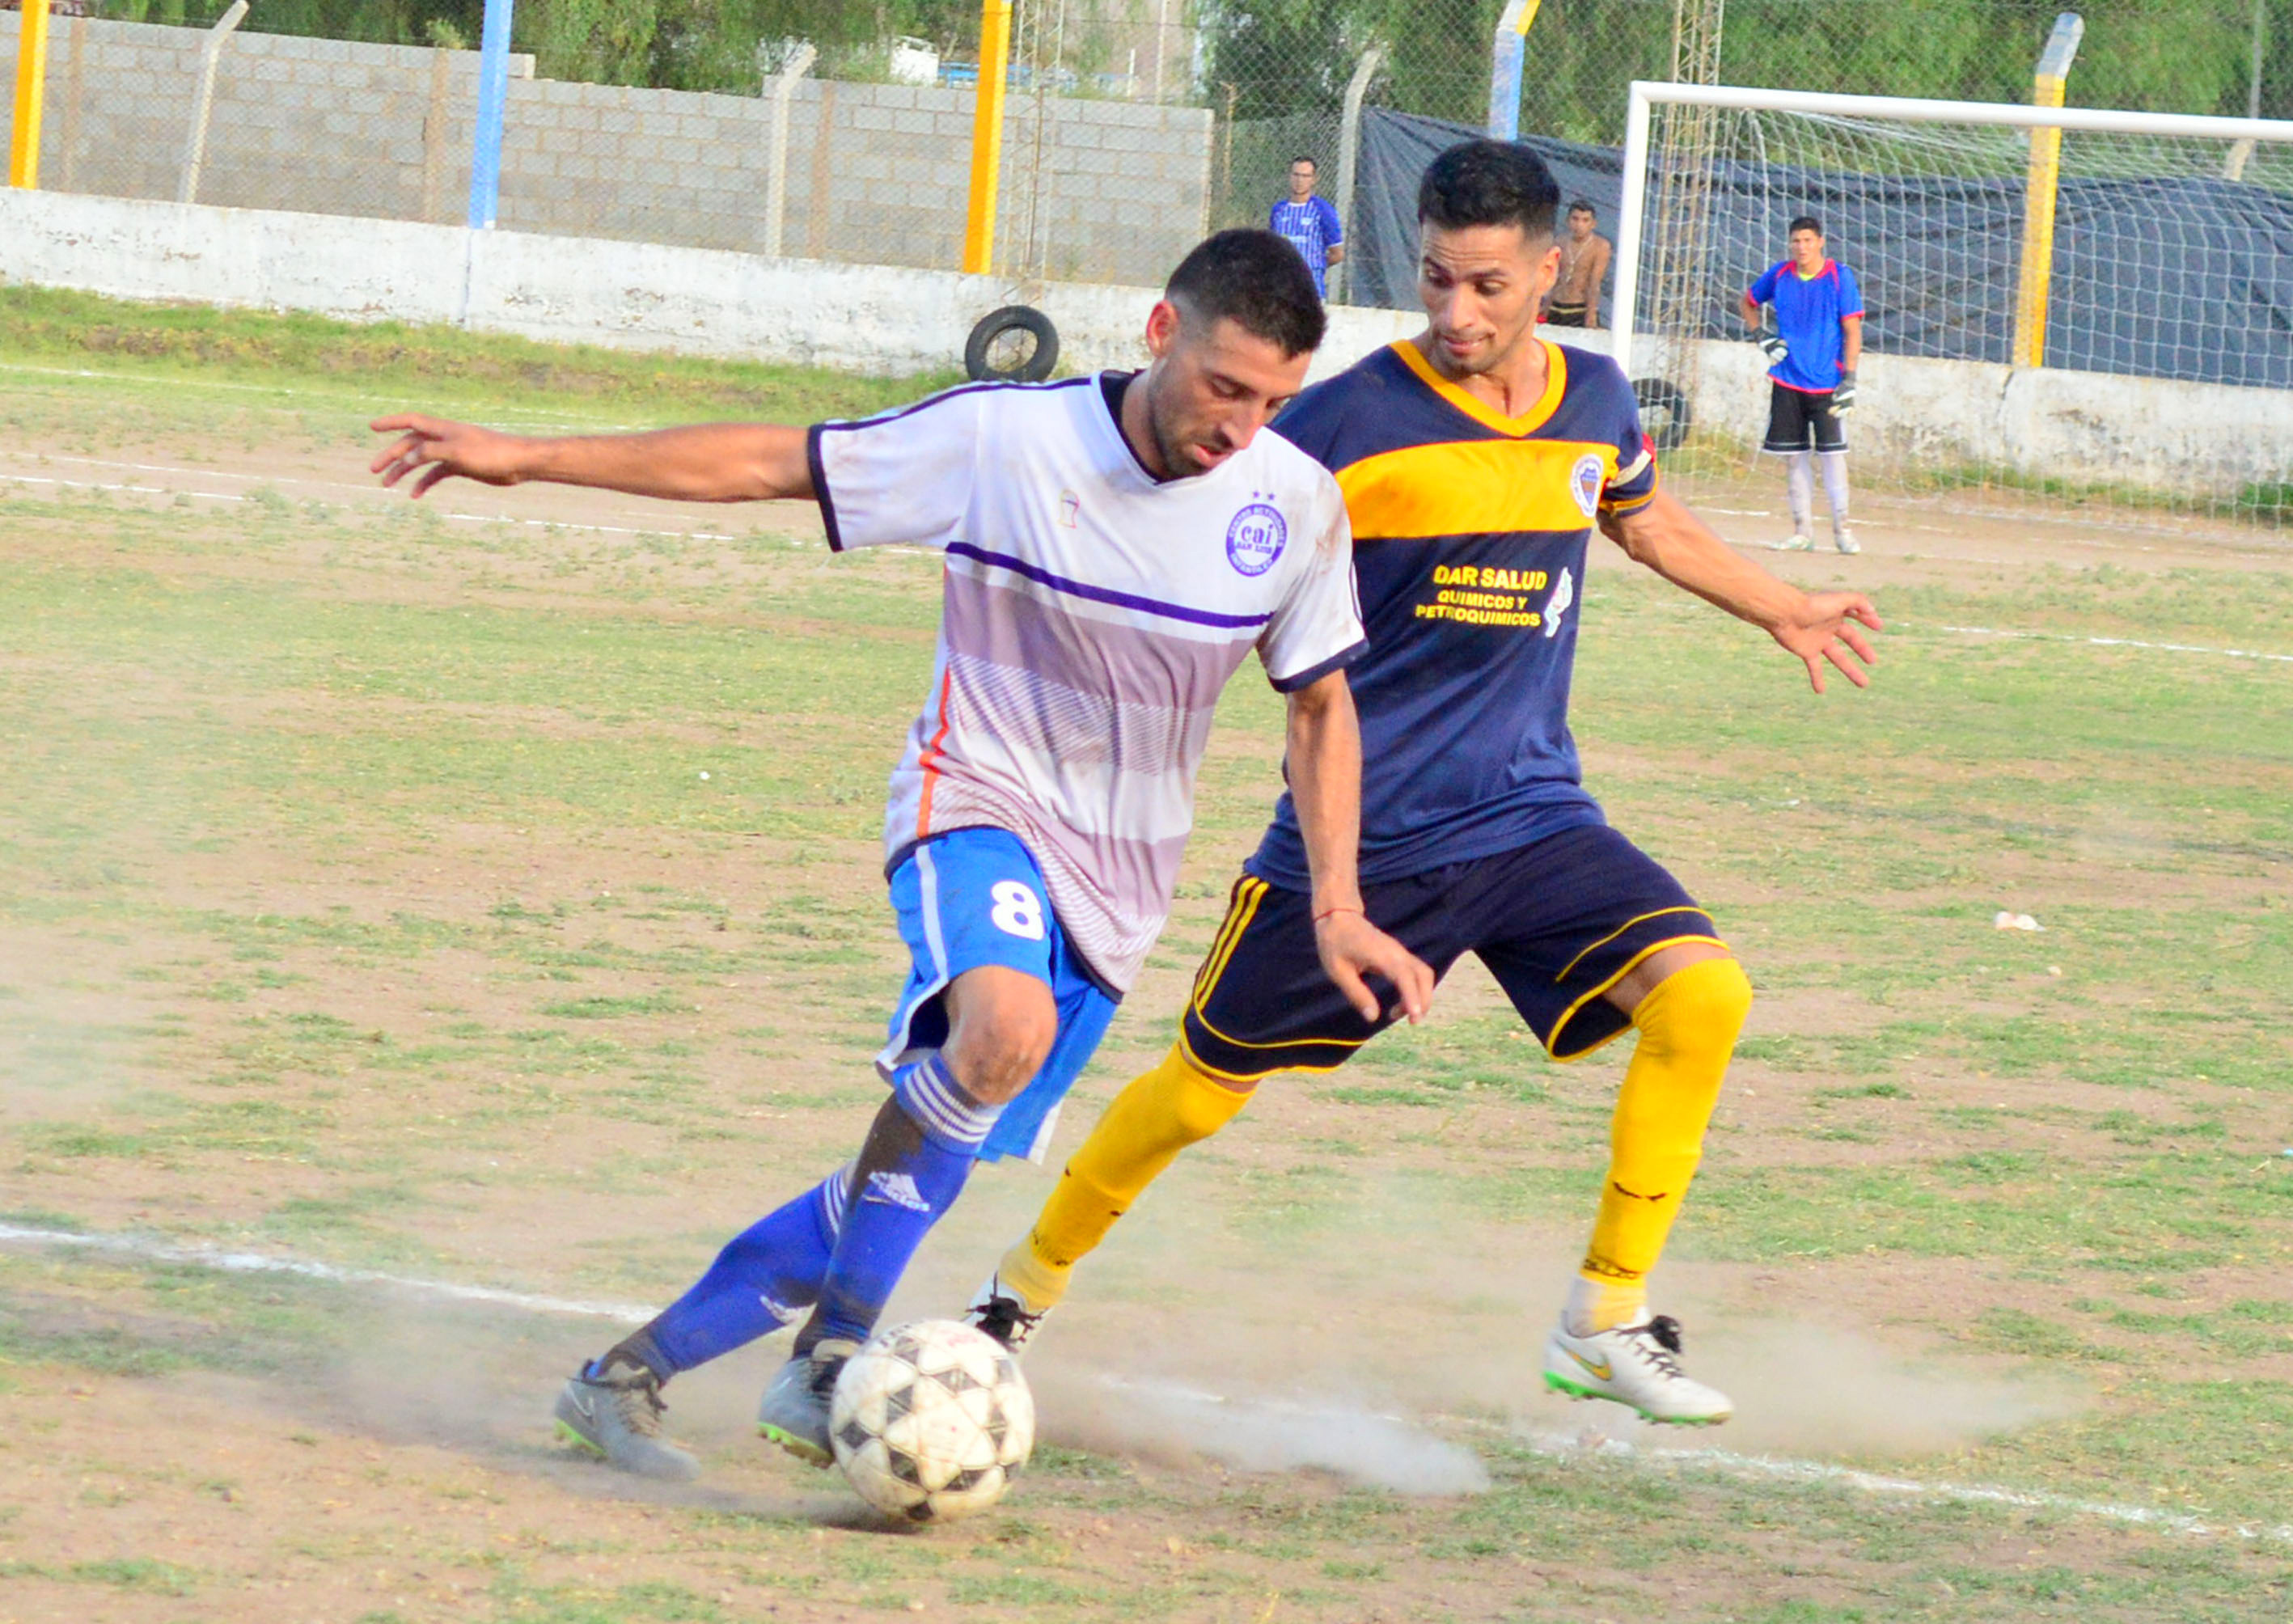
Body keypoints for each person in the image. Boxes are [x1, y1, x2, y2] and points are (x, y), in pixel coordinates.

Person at [366, 230, 1434, 1479]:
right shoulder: (1006, 440)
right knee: (1000, 1036)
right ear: (1159, 333)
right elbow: (772, 461)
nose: (1239, 425)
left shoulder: (1293, 503)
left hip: (1118, 882)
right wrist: (529, 456)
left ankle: (623, 1381)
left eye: (1272, 401)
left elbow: (1318, 706)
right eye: (1222, 386)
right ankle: (830, 1360)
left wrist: (1338, 906)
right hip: (969, 796)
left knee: (919, 1158)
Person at [962, 142, 1881, 1427]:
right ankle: (1015, 1294)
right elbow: (1197, 497)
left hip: (1528, 815)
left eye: (1488, 285)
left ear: (1551, 271)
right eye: (1437, 280)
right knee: (1196, 1095)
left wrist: (1781, 606)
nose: (1456, 313)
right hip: (1359, 840)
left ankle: (1603, 1316)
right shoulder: (1344, 417)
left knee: (1704, 994)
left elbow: (1640, 517)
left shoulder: (1600, 400)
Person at [1742, 215, 1864, 555]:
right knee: (1794, 457)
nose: (1802, 247)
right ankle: (1802, 531)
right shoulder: (1780, 274)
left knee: (1833, 458)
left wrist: (1850, 379)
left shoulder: (1840, 277)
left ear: (1821, 241)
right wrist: (1761, 336)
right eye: (1796, 241)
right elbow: (1748, 302)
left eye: (1808, 240)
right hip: (1788, 379)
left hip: (1828, 383)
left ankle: (1843, 530)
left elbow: (1853, 330)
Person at [1269, 155, 1346, 301]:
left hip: (1311, 291)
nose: (1300, 181)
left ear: (1313, 179)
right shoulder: (1279, 210)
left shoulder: (1323, 210)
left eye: (1305, 176)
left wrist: (1314, 265)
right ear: (1289, 176)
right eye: (1296, 175)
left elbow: (1337, 254)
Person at [1543, 199, 1611, 328]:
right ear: (1568, 220)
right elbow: (1553, 277)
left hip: (1578, 308)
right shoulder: (1560, 241)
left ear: (1593, 224)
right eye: (1575, 219)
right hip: (1556, 306)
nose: (1579, 225)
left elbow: (1594, 282)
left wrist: (1591, 315)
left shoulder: (1600, 246)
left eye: (1585, 220)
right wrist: (1545, 307)